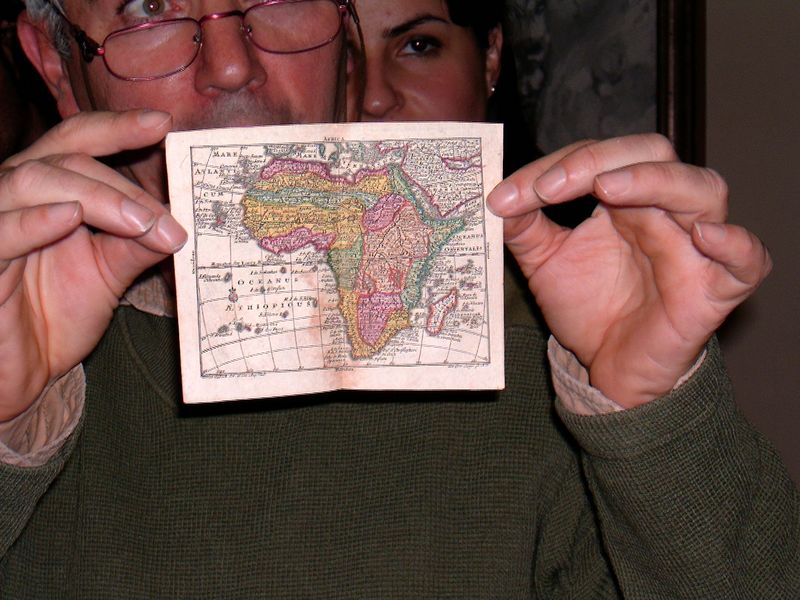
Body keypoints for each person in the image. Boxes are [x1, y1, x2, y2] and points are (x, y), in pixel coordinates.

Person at [0, 1, 796, 598]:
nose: (233, 64)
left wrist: (654, 420)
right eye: (147, 6)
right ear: (56, 63)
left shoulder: (556, 356)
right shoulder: (20, 346)